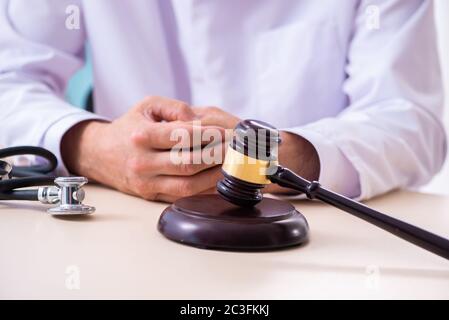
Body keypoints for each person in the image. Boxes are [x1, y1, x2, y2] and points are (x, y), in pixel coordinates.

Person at [0, 0, 446, 203]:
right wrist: (92, 149)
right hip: (127, 220)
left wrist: (288, 157)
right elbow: (9, 80)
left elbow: (410, 118)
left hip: (321, 241)